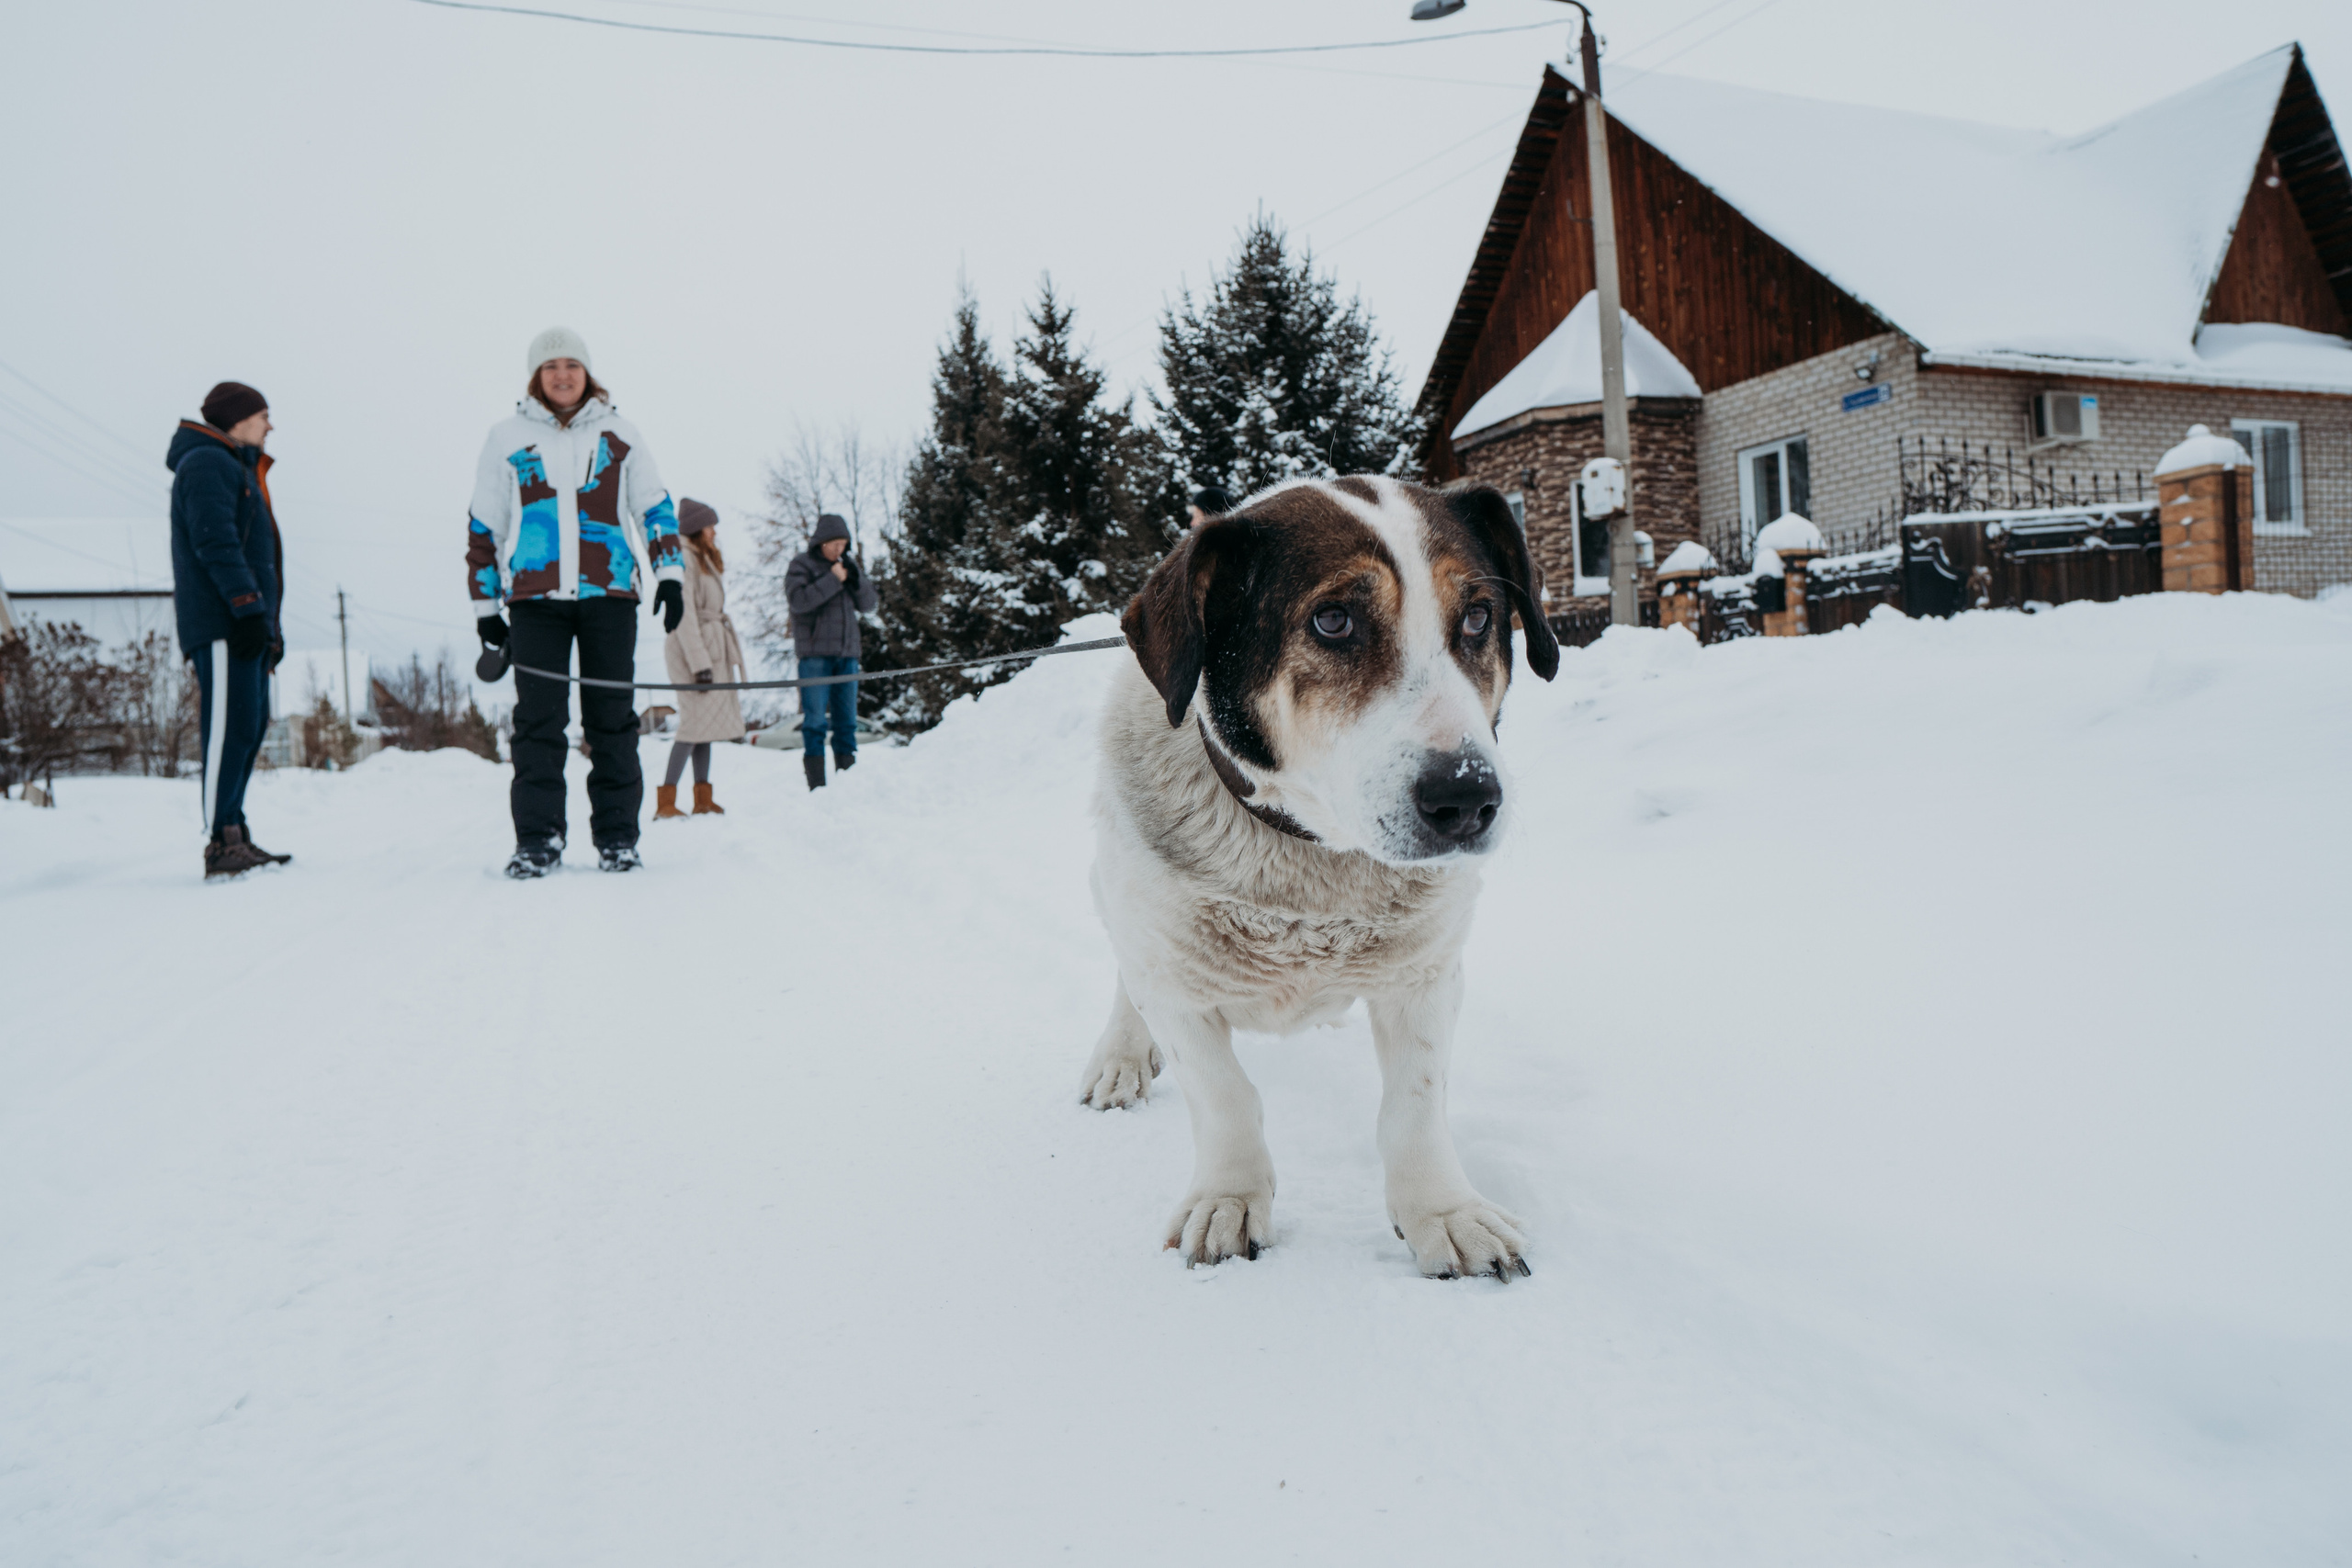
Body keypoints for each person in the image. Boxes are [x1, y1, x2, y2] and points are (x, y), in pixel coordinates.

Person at [467, 328, 684, 877]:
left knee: (611, 722)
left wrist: (671, 575)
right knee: (538, 724)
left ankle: (617, 839)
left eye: (571, 364)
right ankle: (538, 840)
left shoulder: (621, 434)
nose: (562, 374)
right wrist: (486, 608)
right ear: (535, 377)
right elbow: (484, 526)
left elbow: (654, 508)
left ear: (587, 372)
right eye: (549, 366)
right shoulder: (506, 438)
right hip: (535, 600)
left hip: (609, 595)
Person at [167, 381, 292, 879]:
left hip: (245, 623)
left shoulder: (234, 466)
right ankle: (221, 842)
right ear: (239, 419)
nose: (269, 426)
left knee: (247, 726)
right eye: (264, 416)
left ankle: (236, 832)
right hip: (223, 624)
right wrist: (244, 608)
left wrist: (266, 624)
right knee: (226, 730)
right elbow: (214, 542)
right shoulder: (207, 463)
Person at [653, 497, 745, 818]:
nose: (714, 533)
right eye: (710, 526)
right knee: (693, 725)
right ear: (696, 529)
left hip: (711, 647)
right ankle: (666, 802)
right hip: (692, 649)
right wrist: (700, 663)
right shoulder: (685, 560)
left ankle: (702, 798)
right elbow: (685, 615)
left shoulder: (700, 558)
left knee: (706, 725)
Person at [783, 513, 876, 790]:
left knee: (846, 723)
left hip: (847, 655)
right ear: (821, 542)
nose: (839, 549)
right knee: (814, 723)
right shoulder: (802, 565)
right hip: (814, 657)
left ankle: (847, 786)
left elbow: (870, 604)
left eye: (843, 544)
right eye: (834, 544)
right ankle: (817, 787)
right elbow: (798, 601)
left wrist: (854, 578)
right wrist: (832, 580)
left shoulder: (848, 565)